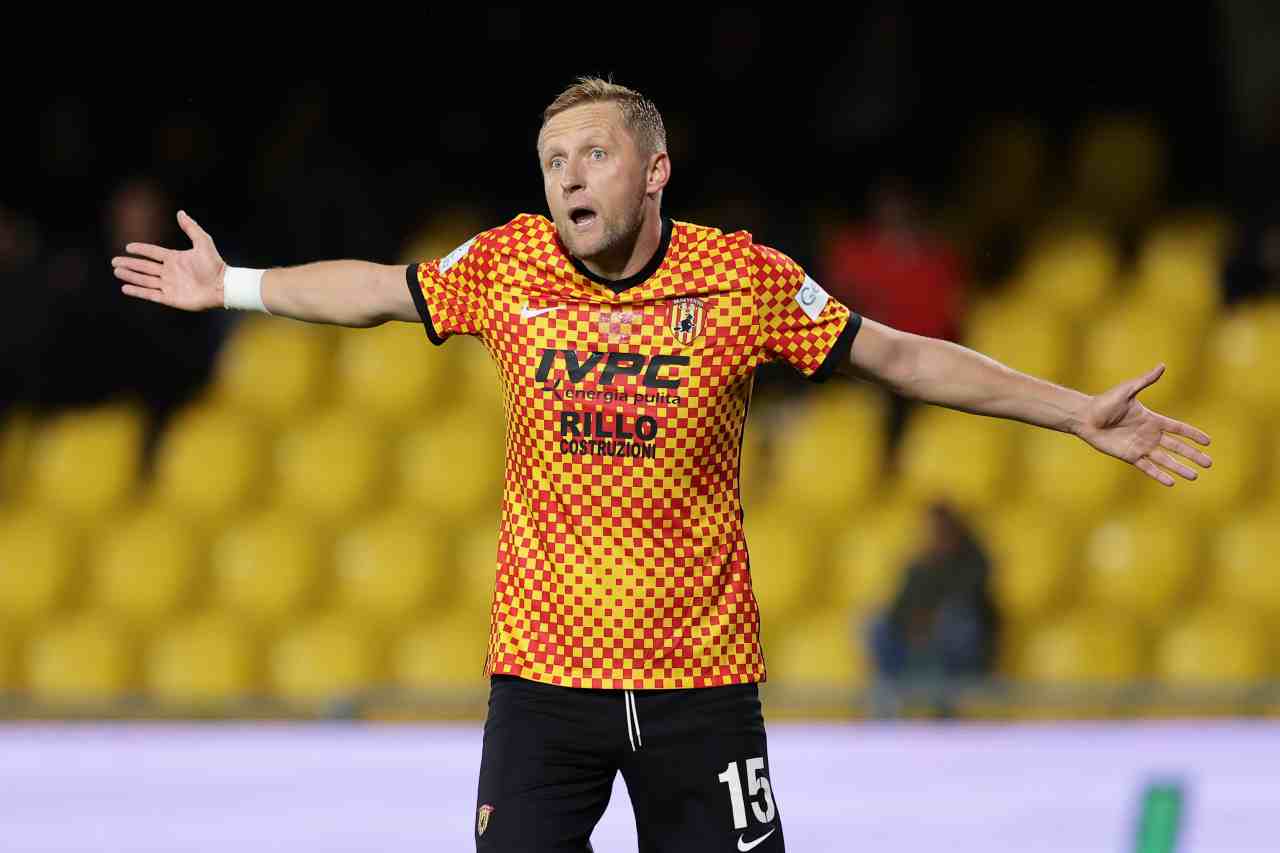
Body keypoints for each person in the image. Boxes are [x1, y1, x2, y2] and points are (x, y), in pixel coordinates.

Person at [111, 77, 1213, 853]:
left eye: (593, 153)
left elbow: (901, 357)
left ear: (655, 170)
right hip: (542, 684)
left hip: (701, 686)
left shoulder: (743, 279)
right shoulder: (507, 263)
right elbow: (374, 290)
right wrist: (233, 286)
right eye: (552, 160)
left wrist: (1074, 412)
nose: (568, 177)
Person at [869, 501, 998, 718]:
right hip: (914, 643)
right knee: (877, 625)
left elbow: (971, 605)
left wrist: (931, 623)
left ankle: (943, 708)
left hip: (959, 650)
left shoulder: (973, 565)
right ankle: (887, 710)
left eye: (939, 531)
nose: (932, 537)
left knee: (954, 623)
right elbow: (898, 609)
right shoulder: (918, 568)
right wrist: (911, 625)